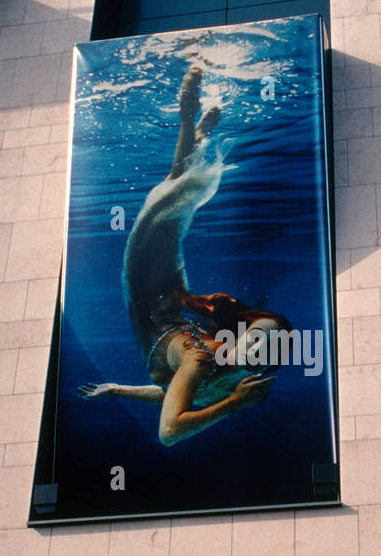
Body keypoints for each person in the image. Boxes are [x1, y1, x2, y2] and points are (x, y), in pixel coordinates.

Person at [79, 64, 292, 446]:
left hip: (162, 303)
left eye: (268, 349)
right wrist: (234, 406)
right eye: (257, 339)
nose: (260, 349)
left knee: (176, 195)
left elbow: (174, 395)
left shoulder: (227, 375)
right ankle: (187, 118)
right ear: (237, 337)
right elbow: (169, 432)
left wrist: (117, 390)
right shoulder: (203, 361)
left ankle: (193, 129)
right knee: (174, 197)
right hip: (148, 288)